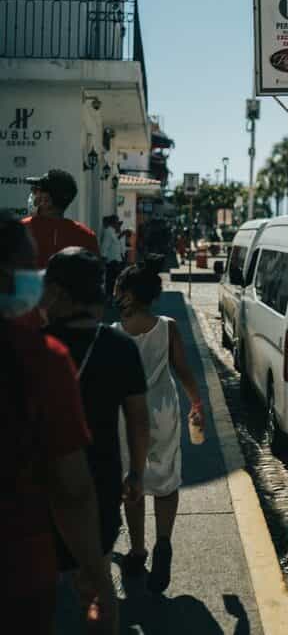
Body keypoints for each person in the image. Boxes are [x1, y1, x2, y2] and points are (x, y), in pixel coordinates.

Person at [0, 213, 117, 634]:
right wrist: (95, 572)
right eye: (31, 268)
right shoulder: (41, 360)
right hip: (18, 572)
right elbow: (70, 488)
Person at [42, 247, 149, 604]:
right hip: (100, 482)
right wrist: (136, 473)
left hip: (37, 484)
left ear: (57, 293)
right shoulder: (120, 348)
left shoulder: (32, 346)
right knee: (96, 587)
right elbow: (138, 419)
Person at [114, 259, 204, 593]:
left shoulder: (114, 333)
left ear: (125, 292)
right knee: (166, 480)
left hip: (127, 414)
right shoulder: (167, 326)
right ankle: (163, 542)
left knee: (131, 478)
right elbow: (183, 370)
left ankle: (137, 551)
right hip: (164, 410)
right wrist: (197, 403)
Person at [23, 169, 99, 268]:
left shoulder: (21, 230)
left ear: (47, 200)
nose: (33, 194)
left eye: (35, 190)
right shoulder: (86, 236)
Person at [101, 216, 123, 300]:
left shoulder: (113, 232)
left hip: (116, 261)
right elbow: (104, 247)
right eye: (117, 222)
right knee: (110, 281)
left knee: (114, 281)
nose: (118, 223)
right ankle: (109, 298)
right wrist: (103, 260)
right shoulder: (108, 232)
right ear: (113, 222)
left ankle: (111, 297)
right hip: (112, 262)